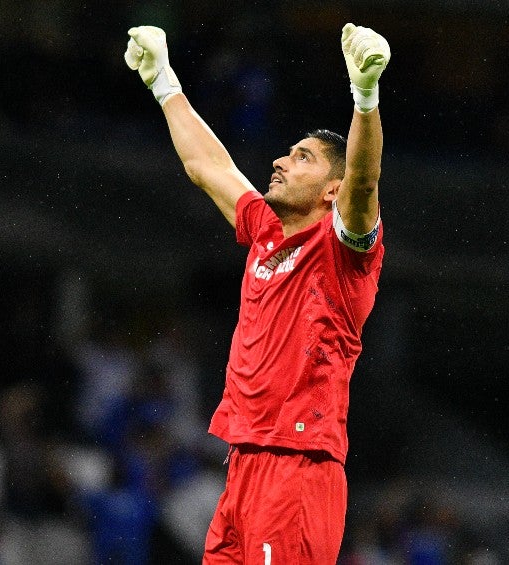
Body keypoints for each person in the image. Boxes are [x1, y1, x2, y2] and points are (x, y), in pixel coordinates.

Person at [124, 21, 391, 564]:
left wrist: (365, 97)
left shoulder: (344, 251)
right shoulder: (265, 233)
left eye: (302, 158)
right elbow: (207, 166)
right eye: (287, 153)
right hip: (243, 462)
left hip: (298, 468)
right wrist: (163, 80)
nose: (279, 161)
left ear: (330, 191)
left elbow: (364, 182)